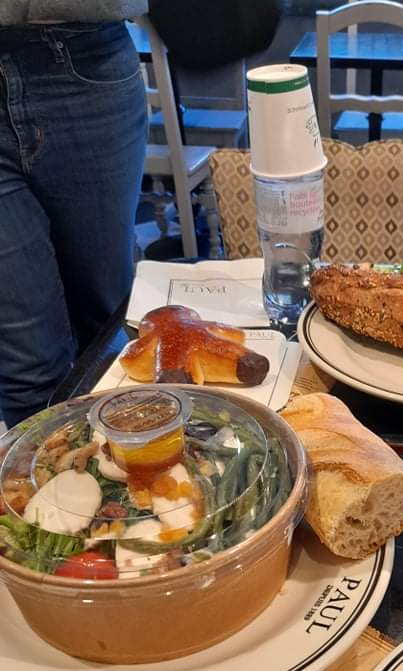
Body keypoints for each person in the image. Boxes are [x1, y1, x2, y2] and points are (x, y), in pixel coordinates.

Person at [0, 1, 279, 429]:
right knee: (27, 366)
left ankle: (150, 463)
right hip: (84, 59)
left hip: (83, 55)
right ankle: (58, 471)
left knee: (109, 334)